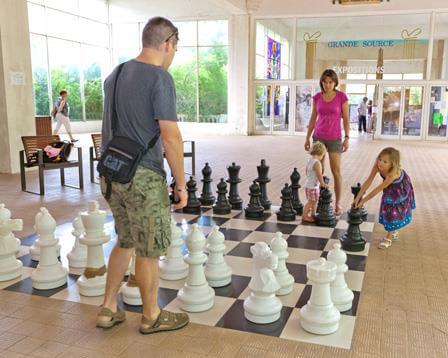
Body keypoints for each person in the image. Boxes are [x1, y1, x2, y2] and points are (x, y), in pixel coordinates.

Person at [96, 17, 189, 334]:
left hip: (111, 173)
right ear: (168, 43)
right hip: (143, 177)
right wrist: (181, 182)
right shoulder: (160, 79)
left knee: (125, 240)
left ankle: (108, 308)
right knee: (148, 250)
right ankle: (151, 315)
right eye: (175, 47)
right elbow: (171, 137)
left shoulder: (115, 74)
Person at [304, 69, 350, 216]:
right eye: (325, 82)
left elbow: (346, 119)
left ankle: (337, 203)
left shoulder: (342, 97)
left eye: (330, 82)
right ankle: (316, 203)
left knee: (336, 171)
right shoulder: (317, 97)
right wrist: (307, 137)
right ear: (322, 82)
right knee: (319, 171)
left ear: (335, 82)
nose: (327, 85)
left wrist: (347, 137)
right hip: (319, 138)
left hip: (335, 138)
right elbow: (313, 119)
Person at [353, 147, 415, 249]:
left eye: (385, 162)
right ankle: (394, 230)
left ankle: (389, 237)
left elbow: (376, 190)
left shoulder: (392, 174)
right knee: (387, 205)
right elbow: (368, 181)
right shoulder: (377, 166)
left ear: (392, 164)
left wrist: (362, 202)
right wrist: (358, 198)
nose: (380, 163)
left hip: (400, 187)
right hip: (390, 187)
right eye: (380, 159)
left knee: (392, 209)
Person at [302, 141, 328, 223]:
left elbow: (306, 172)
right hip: (313, 187)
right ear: (321, 153)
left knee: (314, 201)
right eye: (323, 155)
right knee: (311, 202)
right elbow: (319, 175)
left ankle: (313, 214)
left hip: (308, 185)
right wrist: (323, 184)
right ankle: (305, 216)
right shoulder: (317, 163)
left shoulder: (310, 160)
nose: (323, 157)